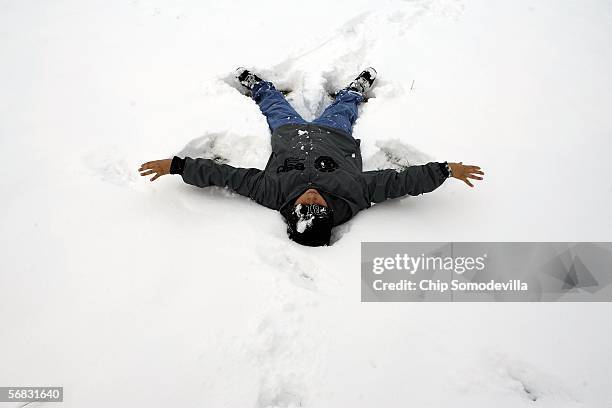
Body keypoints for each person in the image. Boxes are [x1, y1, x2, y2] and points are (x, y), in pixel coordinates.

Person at [139, 67, 484, 246]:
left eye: (306, 202)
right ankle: (356, 88)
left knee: (273, 105)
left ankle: (258, 84)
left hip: (288, 133)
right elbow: (400, 182)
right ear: (329, 212)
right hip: (334, 134)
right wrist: (444, 170)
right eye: (319, 203)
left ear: (293, 211)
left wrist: (179, 166)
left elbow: (227, 176)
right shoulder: (355, 194)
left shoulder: (271, 193)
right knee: (344, 106)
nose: (312, 194)